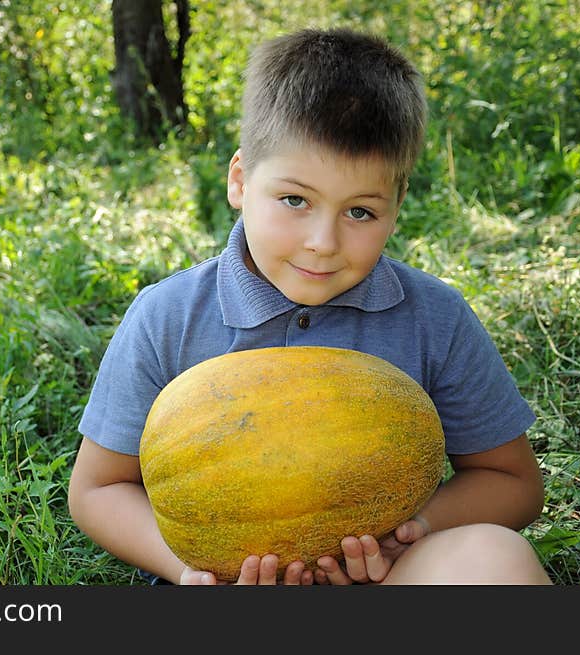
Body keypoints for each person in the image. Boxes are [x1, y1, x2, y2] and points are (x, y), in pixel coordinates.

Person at [67, 27, 551, 585]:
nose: (323, 241)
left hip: (386, 578)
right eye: (295, 200)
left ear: (398, 205)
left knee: (496, 561)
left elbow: (513, 482)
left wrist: (410, 532)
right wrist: (187, 571)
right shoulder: (166, 316)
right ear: (241, 180)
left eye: (361, 212)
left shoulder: (435, 319)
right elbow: (97, 489)